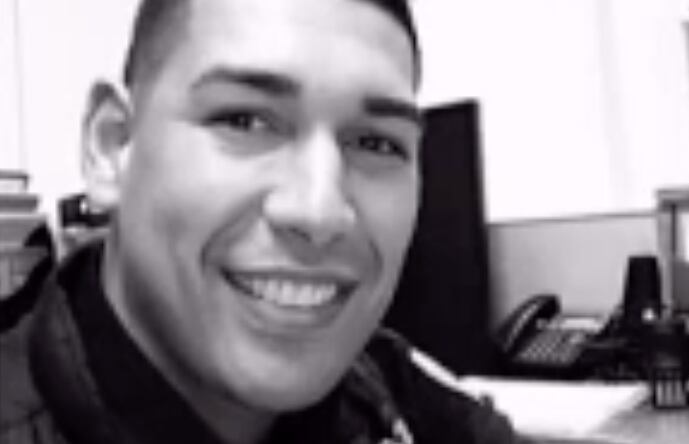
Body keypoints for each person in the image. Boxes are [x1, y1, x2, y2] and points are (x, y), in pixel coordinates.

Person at [0, 0, 521, 442]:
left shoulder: (396, 396)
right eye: (244, 121)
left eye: (376, 143)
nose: (319, 213)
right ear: (112, 146)